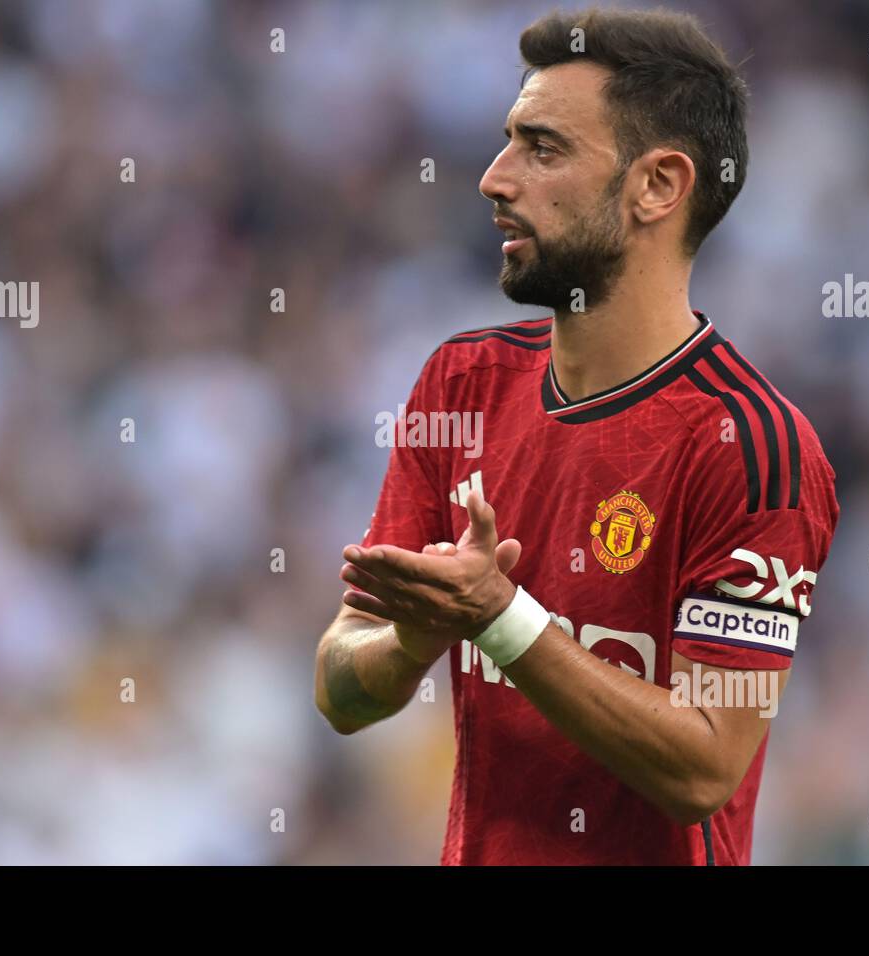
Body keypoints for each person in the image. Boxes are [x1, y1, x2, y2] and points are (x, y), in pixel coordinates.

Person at [314, 7, 839, 865]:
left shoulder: (748, 445)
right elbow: (341, 691)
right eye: (508, 140)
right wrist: (418, 635)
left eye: (544, 148)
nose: (494, 178)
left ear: (658, 186)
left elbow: (705, 765)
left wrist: (499, 619)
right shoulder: (462, 384)